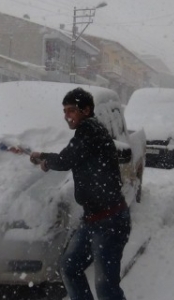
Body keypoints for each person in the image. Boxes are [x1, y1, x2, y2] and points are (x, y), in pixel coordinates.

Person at [29, 87, 130, 300]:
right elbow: (73, 155)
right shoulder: (90, 132)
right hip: (93, 219)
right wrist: (44, 157)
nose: (67, 116)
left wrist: (46, 161)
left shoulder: (89, 129)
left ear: (86, 110)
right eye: (64, 111)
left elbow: (67, 159)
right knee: (69, 267)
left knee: (106, 287)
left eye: (71, 110)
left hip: (110, 220)